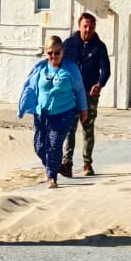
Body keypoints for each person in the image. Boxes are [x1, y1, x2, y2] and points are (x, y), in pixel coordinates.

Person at [18, 37, 88, 186]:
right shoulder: (40, 68)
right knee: (39, 146)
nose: (54, 56)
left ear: (63, 51)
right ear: (45, 52)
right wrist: (23, 106)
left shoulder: (71, 68)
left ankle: (51, 176)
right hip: (42, 114)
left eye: (57, 53)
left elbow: (79, 90)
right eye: (50, 53)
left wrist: (83, 109)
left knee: (54, 144)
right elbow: (29, 87)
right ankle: (56, 166)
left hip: (64, 113)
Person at [60, 12, 110, 177]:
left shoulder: (99, 46)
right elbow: (60, 66)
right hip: (71, 95)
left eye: (91, 27)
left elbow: (106, 69)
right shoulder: (68, 44)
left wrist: (100, 84)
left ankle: (87, 163)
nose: (88, 30)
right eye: (85, 26)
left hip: (89, 95)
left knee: (88, 130)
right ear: (79, 26)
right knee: (69, 129)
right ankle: (67, 163)